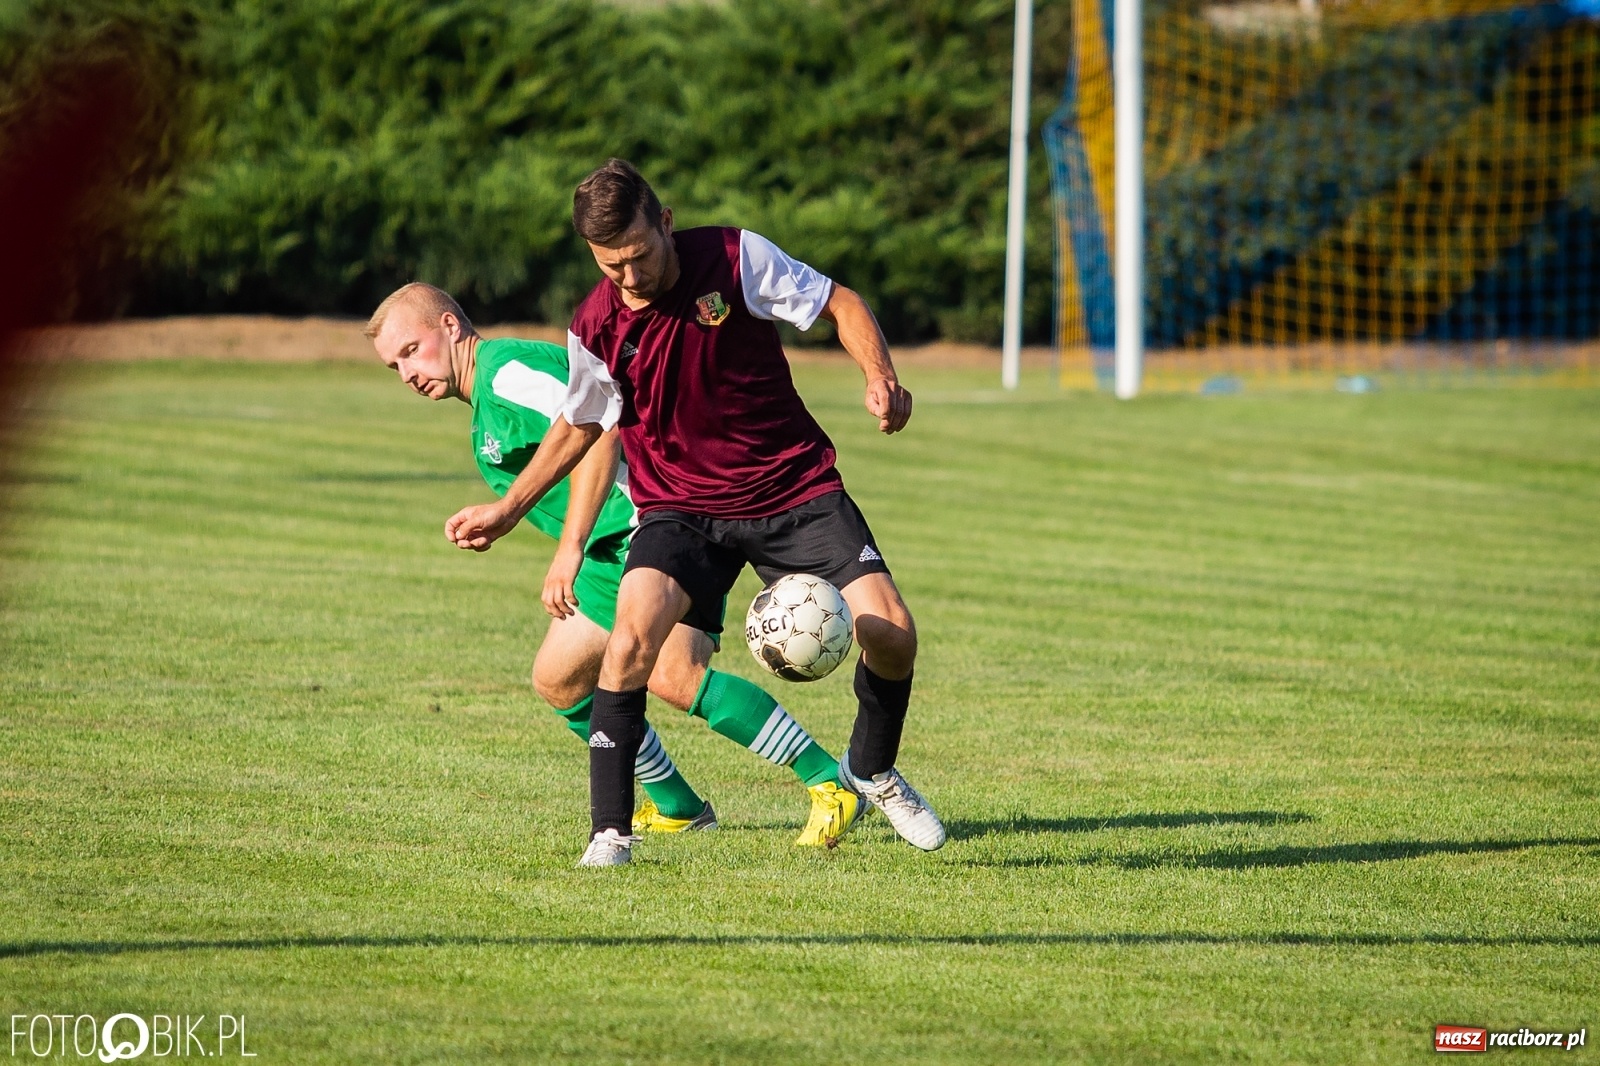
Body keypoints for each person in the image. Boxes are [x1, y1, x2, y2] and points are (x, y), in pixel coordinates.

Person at [443, 159, 946, 867]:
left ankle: (872, 770)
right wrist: (508, 509)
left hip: (791, 487)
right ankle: (610, 834)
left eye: (639, 255)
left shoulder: (735, 258)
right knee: (629, 643)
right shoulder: (595, 324)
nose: (629, 277)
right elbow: (581, 424)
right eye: (610, 265)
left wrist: (880, 376)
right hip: (680, 508)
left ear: (666, 223)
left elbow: (841, 303)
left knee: (891, 632)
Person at [365, 282, 860, 846]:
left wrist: (566, 547)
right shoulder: (488, 396)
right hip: (614, 547)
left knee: (674, 674)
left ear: (451, 326)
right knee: (560, 679)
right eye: (394, 366)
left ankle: (830, 782)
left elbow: (598, 429)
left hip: (655, 525)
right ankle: (678, 805)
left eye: (411, 351)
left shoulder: (507, 374)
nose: (407, 373)